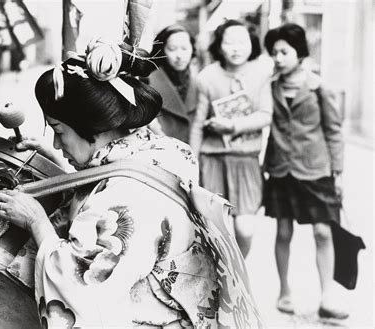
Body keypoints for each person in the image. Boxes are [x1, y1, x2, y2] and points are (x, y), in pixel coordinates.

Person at [0, 39, 260, 328]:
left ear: (91, 127)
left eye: (59, 131)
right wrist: (60, 160)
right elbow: (103, 184)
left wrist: (35, 221)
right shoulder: (154, 152)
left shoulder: (130, 195)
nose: (56, 141)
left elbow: (84, 289)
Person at [263, 23, 347, 319]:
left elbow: (333, 130)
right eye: (274, 53)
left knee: (324, 232)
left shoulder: (318, 85)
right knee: (283, 231)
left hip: (316, 169)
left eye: (284, 52)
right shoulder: (270, 86)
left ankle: (328, 296)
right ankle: (285, 291)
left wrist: (338, 171)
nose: (278, 58)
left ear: (299, 53)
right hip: (281, 169)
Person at [189, 20, 273, 258]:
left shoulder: (262, 74)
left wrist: (232, 125)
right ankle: (221, 280)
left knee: (245, 229)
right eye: (230, 42)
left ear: (252, 44)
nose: (236, 48)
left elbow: (266, 115)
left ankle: (237, 270)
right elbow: (197, 124)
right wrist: (192, 164)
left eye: (242, 42)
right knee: (214, 229)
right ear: (219, 45)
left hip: (247, 161)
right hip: (213, 161)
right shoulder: (207, 77)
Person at [147, 24, 198, 143]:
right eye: (172, 49)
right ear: (162, 50)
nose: (179, 56)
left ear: (192, 49)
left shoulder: (200, 81)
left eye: (184, 48)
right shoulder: (148, 81)